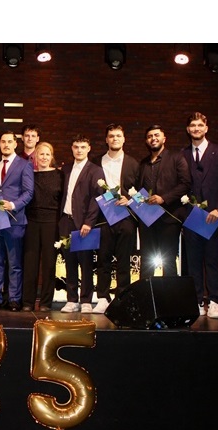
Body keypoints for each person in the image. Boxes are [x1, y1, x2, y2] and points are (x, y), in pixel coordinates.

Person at [181, 113, 218, 319]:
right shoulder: (183, 154)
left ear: (206, 128)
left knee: (212, 260)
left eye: (200, 125)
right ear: (188, 129)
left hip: (213, 216)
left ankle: (214, 302)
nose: (196, 128)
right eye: (193, 125)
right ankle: (196, 301)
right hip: (191, 217)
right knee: (193, 262)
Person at [91, 123, 139, 314]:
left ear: (124, 139)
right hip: (103, 217)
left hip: (125, 217)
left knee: (124, 260)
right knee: (103, 259)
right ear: (106, 139)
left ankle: (122, 298)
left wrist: (130, 200)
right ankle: (102, 298)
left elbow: (142, 190)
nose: (115, 139)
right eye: (111, 136)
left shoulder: (133, 163)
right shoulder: (95, 162)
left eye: (118, 135)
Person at [0, 130, 34, 312]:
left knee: (14, 263)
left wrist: (13, 205)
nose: (6, 145)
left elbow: (29, 192)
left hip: (15, 220)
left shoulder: (24, 165)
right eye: (3, 141)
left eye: (9, 142)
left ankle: (14, 299)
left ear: (15, 144)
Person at [136, 125, 191, 277]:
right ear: (146, 141)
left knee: (169, 260)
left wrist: (164, 198)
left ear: (164, 139)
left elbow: (186, 183)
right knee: (146, 261)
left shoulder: (176, 158)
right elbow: (138, 189)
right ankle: (146, 292)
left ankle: (168, 292)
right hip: (147, 219)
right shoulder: (143, 163)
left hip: (169, 217)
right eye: (150, 136)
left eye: (156, 135)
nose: (153, 138)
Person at [59, 135, 105, 314]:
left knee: (85, 263)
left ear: (88, 148)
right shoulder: (66, 169)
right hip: (66, 220)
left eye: (83, 147)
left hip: (84, 223)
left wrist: (89, 222)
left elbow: (96, 198)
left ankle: (86, 300)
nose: (79, 150)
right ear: (72, 148)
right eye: (76, 147)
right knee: (69, 262)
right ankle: (71, 300)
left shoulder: (95, 170)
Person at [22, 141, 63, 312]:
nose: (44, 157)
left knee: (49, 264)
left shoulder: (60, 175)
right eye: (41, 154)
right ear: (35, 157)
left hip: (51, 223)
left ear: (51, 157)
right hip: (31, 222)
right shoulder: (29, 175)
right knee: (30, 263)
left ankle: (46, 302)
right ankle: (27, 302)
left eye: (47, 154)